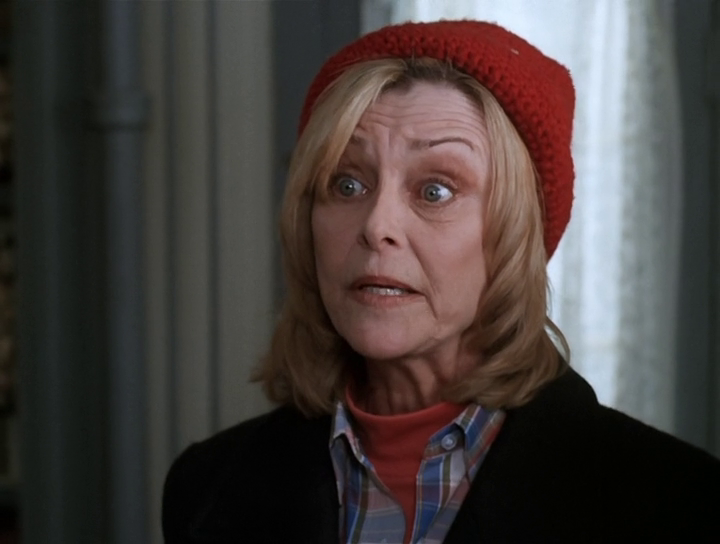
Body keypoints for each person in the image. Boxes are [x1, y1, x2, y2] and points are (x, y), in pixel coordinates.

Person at [162, 20, 720, 544]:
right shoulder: (206, 488)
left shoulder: (677, 501)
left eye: (436, 191)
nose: (377, 226)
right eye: (347, 185)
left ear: (515, 236)